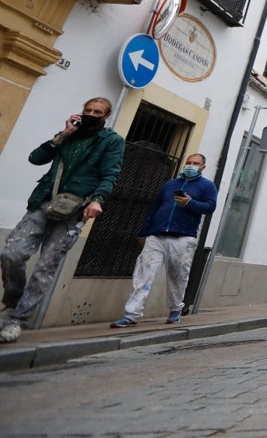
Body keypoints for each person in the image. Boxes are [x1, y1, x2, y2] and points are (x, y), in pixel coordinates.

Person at [1, 97, 126, 343]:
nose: (91, 114)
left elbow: (110, 173)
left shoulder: (112, 141)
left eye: (97, 112)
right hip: (44, 200)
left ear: (106, 116)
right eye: (88, 110)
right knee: (11, 253)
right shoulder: (69, 134)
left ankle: (16, 320)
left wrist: (97, 200)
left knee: (45, 266)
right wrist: (63, 134)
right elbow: (35, 158)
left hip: (75, 208)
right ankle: (12, 300)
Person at [111, 153, 217, 328]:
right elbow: (154, 208)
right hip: (156, 235)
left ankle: (175, 309)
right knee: (143, 274)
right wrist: (144, 233)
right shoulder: (170, 185)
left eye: (195, 163)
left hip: (183, 237)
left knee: (178, 275)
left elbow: (210, 207)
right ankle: (131, 315)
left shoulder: (207, 186)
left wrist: (190, 203)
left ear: (203, 167)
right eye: (188, 162)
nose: (191, 165)